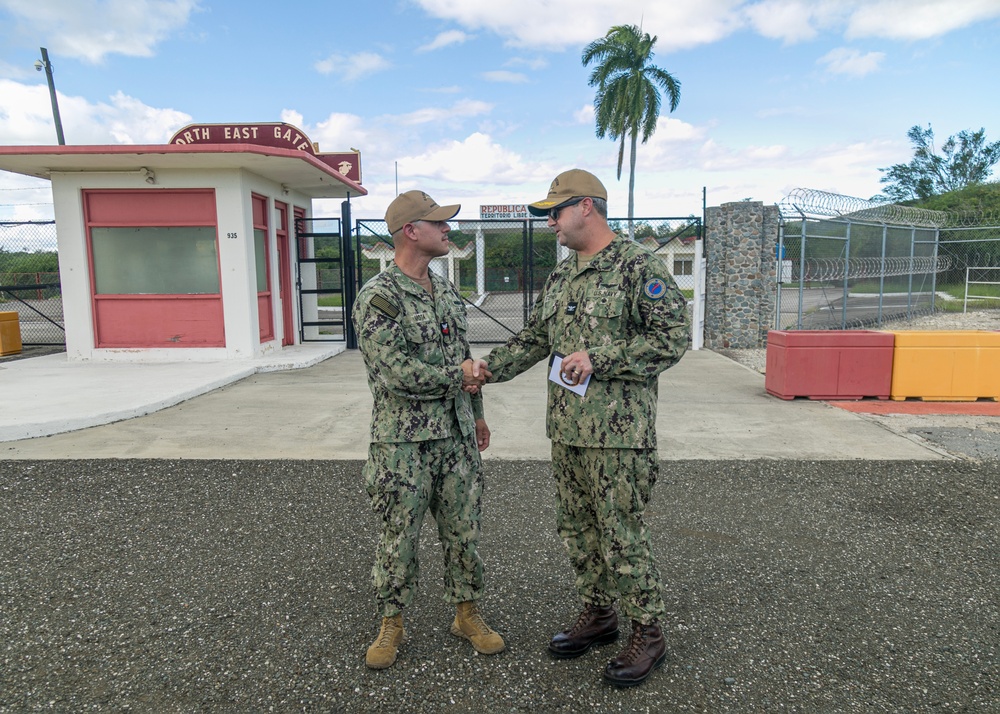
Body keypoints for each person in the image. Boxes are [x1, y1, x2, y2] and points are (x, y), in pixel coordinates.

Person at [473, 169, 688, 686]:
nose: (550, 222)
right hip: (568, 431)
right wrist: (483, 372)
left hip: (618, 435)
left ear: (587, 207)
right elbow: (534, 340)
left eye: (556, 211)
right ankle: (599, 614)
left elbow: (672, 338)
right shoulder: (562, 276)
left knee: (622, 535)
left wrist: (602, 357)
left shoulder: (638, 267)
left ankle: (648, 631)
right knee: (576, 530)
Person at [353, 189, 504, 670]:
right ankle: (391, 621)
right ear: (410, 231)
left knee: (463, 532)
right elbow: (394, 372)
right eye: (438, 223)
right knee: (399, 534)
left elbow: (462, 356)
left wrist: (476, 411)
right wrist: (458, 378)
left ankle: (466, 614)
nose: (447, 230)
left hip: (456, 437)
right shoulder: (379, 297)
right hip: (404, 443)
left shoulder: (447, 292)